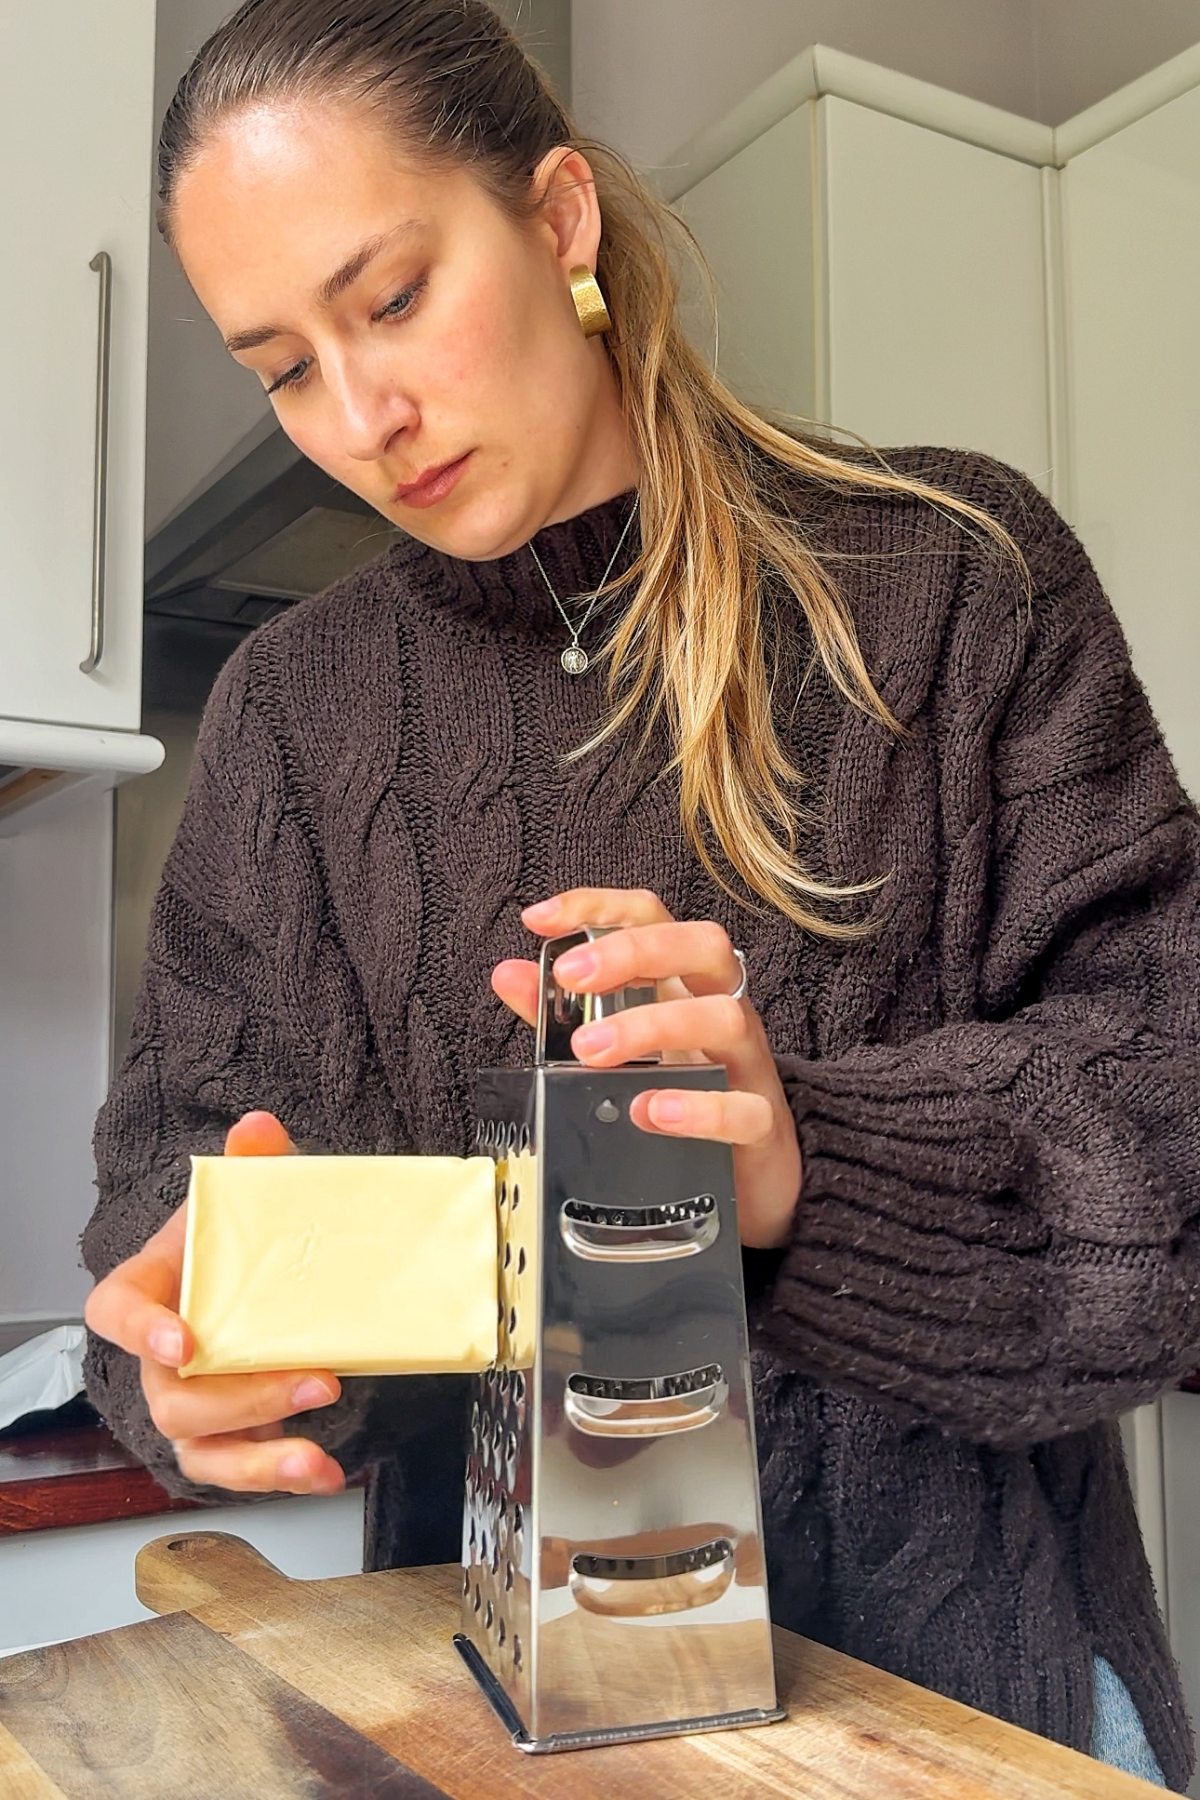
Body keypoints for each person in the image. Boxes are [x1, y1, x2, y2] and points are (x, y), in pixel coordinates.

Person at [81, 0, 1200, 1787]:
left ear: (562, 219)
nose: (363, 414)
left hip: (988, 1707)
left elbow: (1174, 1127)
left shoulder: (958, 582)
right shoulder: (288, 718)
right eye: (283, 366)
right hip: (504, 1726)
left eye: (390, 298)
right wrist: (205, 1350)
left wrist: (804, 1170)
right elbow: (173, 1172)